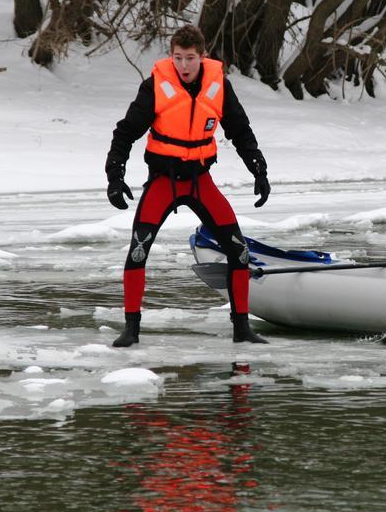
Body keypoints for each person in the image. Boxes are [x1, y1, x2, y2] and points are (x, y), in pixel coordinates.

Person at [104, 24, 271, 346]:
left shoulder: (219, 85)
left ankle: (242, 329)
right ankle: (131, 329)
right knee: (138, 252)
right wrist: (115, 176)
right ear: (171, 56)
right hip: (163, 182)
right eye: (178, 58)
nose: (183, 66)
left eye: (190, 58)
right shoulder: (154, 86)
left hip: (200, 181)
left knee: (239, 250)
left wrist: (258, 170)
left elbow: (240, 130)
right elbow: (124, 133)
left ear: (201, 57)